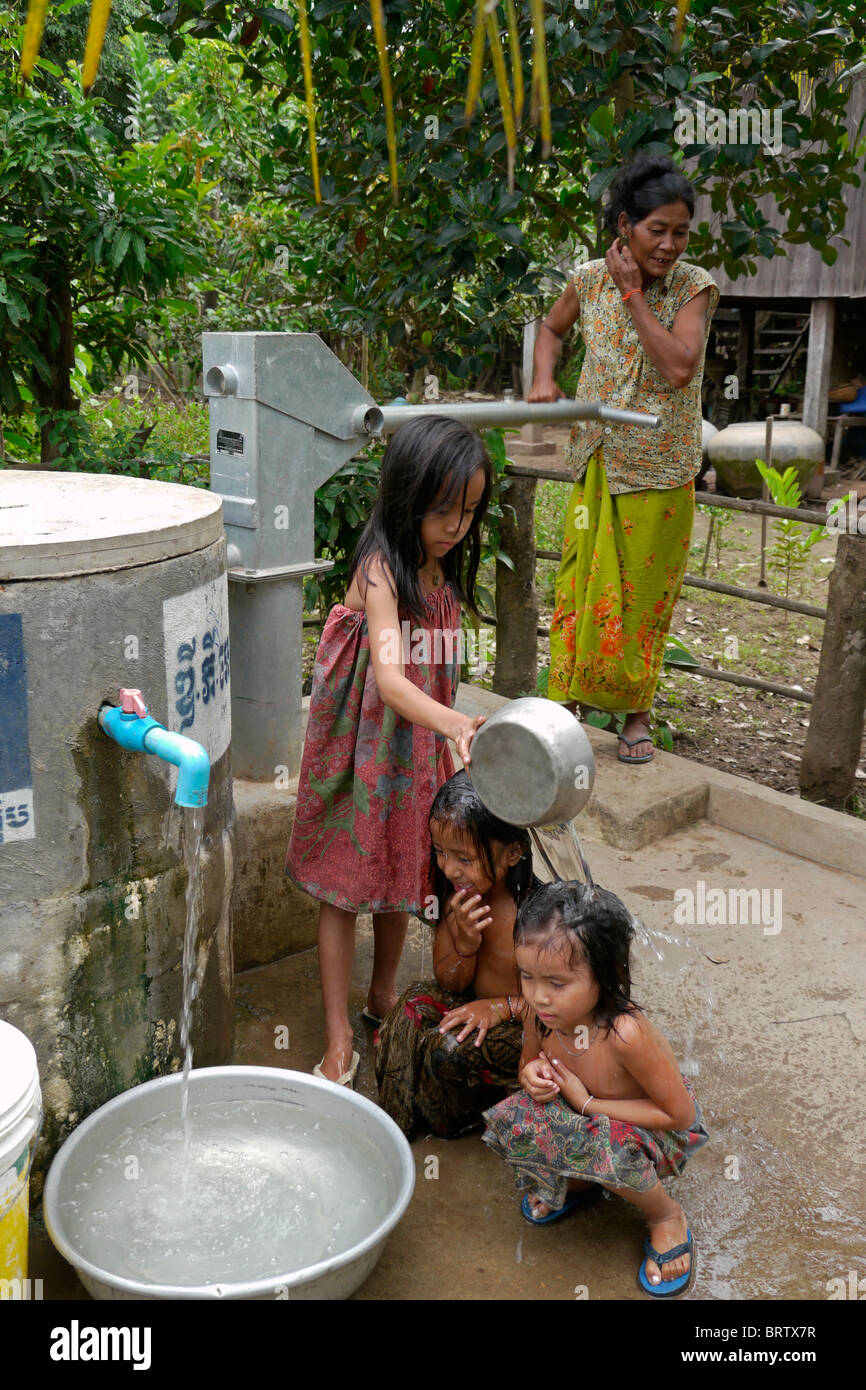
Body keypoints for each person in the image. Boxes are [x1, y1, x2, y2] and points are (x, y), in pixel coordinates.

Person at [286, 418, 490, 1085]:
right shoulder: (381, 570)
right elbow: (391, 679)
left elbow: (433, 676)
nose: (456, 525)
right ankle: (339, 1036)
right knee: (346, 888)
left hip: (412, 752)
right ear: (407, 497)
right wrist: (454, 721)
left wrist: (448, 734)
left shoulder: (442, 575)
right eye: (442, 510)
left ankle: (381, 998)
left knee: (405, 873)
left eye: (468, 510)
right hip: (357, 753)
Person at [529, 152, 720, 763]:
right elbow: (551, 328)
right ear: (623, 226)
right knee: (581, 583)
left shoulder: (695, 288)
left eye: (680, 231)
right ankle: (566, 704)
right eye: (655, 229)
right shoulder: (586, 279)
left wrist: (634, 295)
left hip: (661, 471)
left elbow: (677, 366)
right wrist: (543, 377)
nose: (669, 243)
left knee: (642, 593)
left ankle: (636, 715)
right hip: (598, 458)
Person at [482, 880, 709, 1298]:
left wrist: (588, 1103)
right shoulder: (540, 1014)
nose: (537, 995)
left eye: (557, 983)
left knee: (602, 1143)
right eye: (527, 976)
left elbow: (681, 1116)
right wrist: (533, 1076)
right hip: (587, 1117)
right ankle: (584, 1184)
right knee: (521, 1112)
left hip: (654, 1131)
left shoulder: (625, 1033)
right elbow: (526, 1065)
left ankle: (665, 1216)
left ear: (605, 976)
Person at [374, 770, 542, 1137]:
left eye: (465, 859)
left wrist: (499, 1009)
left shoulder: (538, 919)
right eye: (440, 853)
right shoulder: (456, 900)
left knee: (448, 1049)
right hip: (475, 1007)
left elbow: (560, 1009)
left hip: (525, 1028)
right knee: (406, 1010)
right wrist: (465, 946)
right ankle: (394, 1127)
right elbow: (448, 981)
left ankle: (460, 1119)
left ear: (513, 852)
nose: (449, 868)